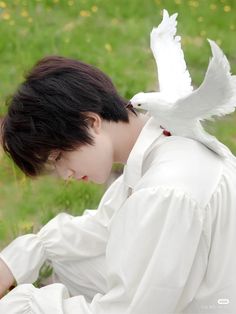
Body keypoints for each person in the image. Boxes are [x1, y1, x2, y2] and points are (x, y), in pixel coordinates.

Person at [0, 55, 235, 314]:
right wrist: (15, 260)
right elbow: (103, 227)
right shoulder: (162, 140)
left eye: (58, 157)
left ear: (91, 122)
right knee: (68, 257)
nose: (64, 174)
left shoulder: (164, 190)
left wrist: (20, 306)